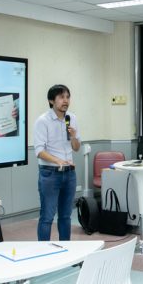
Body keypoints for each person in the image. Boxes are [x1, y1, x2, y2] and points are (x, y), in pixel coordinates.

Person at [33, 84, 80, 241]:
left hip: (69, 173)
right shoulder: (43, 121)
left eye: (67, 97)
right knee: (47, 216)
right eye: (61, 97)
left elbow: (76, 148)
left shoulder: (72, 118)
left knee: (66, 216)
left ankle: (66, 249)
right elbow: (39, 151)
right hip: (50, 173)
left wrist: (73, 136)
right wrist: (57, 160)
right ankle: (44, 251)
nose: (65, 101)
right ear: (51, 101)